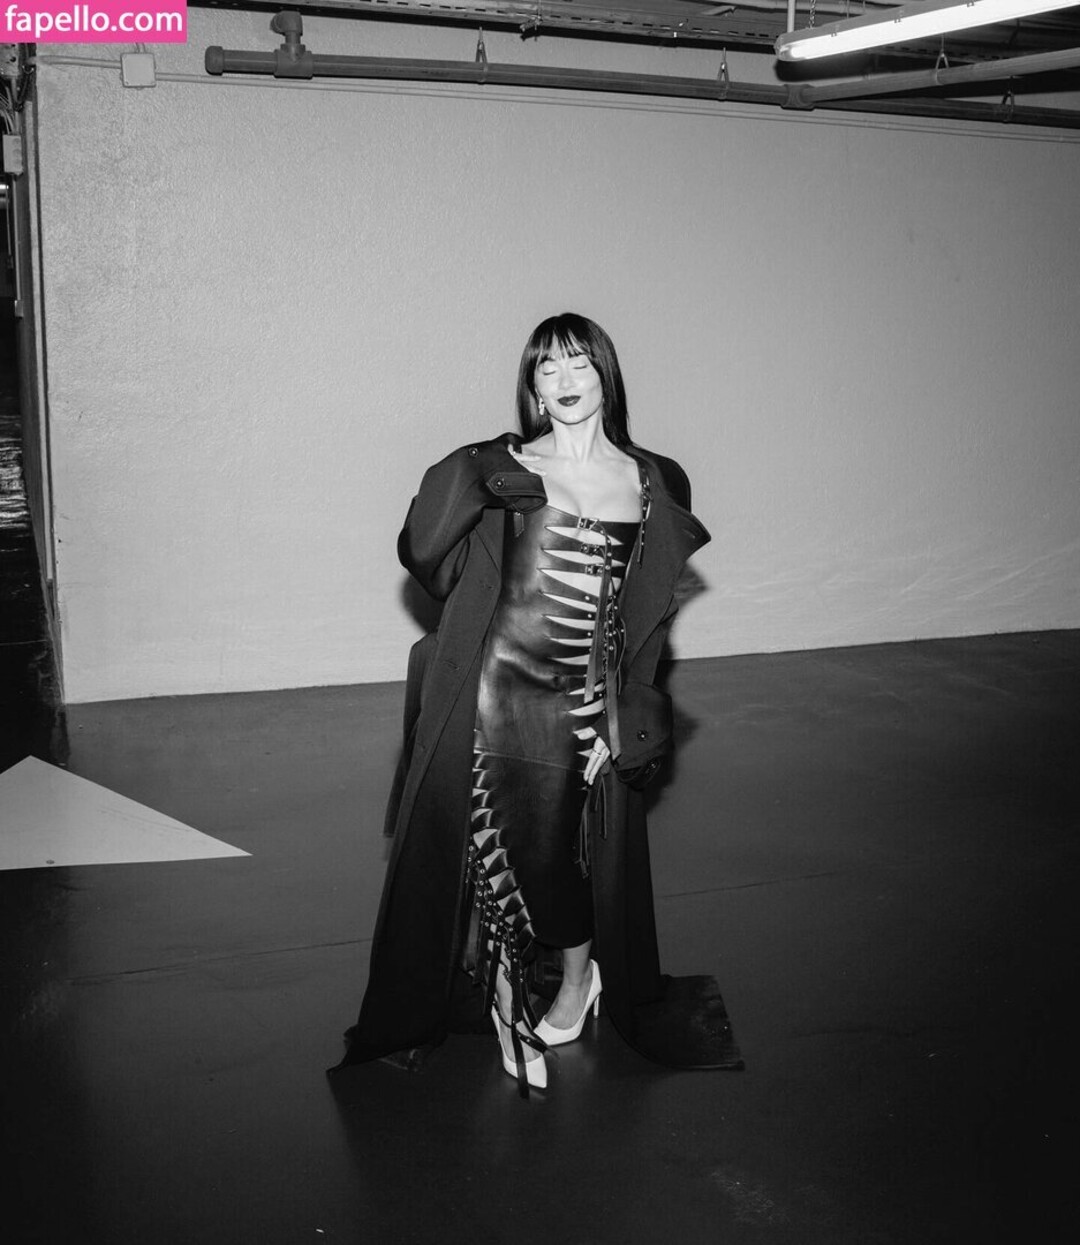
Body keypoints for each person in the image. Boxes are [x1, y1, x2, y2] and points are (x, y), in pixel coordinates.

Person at [331, 313, 742, 1095]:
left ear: (605, 374)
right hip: (495, 686)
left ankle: (579, 980)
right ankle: (508, 1004)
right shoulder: (508, 468)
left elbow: (649, 617)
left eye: (578, 362)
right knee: (493, 854)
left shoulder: (653, 480)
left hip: (580, 702)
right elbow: (424, 551)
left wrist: (623, 716)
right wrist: (472, 468)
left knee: (560, 859)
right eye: (546, 368)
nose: (564, 380)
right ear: (531, 387)